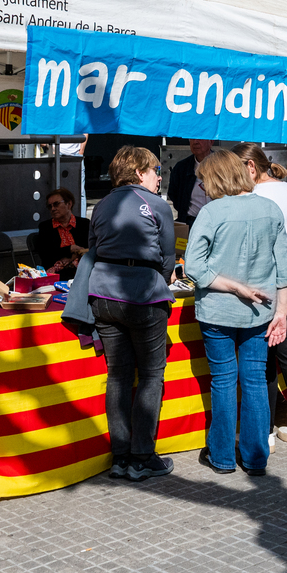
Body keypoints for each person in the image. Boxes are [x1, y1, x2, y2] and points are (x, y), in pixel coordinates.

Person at [186, 149, 287, 476]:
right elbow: (285, 267)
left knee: (223, 381)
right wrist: (282, 311)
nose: (203, 187)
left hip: (218, 313)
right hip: (260, 312)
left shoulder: (211, 212)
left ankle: (221, 456)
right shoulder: (269, 208)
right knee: (255, 382)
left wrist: (235, 287)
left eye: (204, 180)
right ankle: (256, 458)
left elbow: (193, 267)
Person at [87, 146, 178, 482]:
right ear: (140, 172)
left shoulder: (101, 204)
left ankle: (119, 457)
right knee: (151, 376)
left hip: (103, 294)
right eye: (155, 169)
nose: (158, 175)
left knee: (119, 376)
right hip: (143, 295)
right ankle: (141, 457)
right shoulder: (157, 205)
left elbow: (92, 246)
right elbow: (168, 259)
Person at [235, 144, 287, 451]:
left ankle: (267, 430)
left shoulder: (251, 198)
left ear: (250, 168)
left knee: (265, 361)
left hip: (259, 287)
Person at [31, 187, 90, 276]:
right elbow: (46, 254)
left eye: (56, 204)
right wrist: (70, 249)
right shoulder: (46, 227)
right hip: (57, 274)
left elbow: (90, 248)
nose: (53, 209)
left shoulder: (84, 224)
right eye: (50, 206)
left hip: (83, 271)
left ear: (69, 204)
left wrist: (72, 257)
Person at [166, 139, 213, 220]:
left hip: (217, 220)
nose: (195, 142)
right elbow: (173, 194)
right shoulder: (181, 168)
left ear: (211, 141)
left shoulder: (224, 166)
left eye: (200, 138)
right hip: (191, 221)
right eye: (192, 138)